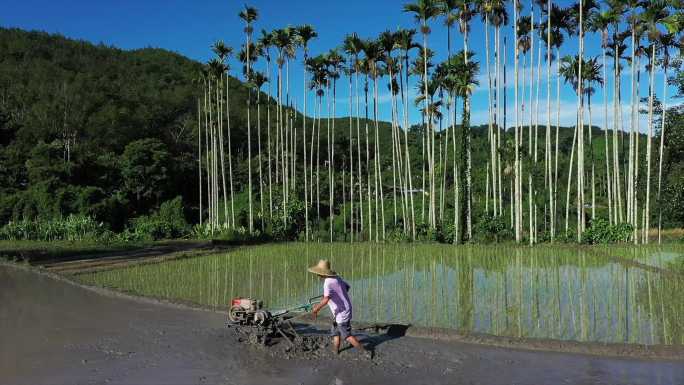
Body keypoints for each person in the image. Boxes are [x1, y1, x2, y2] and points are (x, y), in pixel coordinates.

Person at [308, 259, 372, 358]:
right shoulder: (336, 277)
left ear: (322, 273)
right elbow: (347, 287)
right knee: (335, 331)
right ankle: (335, 350)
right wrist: (335, 293)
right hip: (341, 310)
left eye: (318, 273)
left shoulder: (327, 283)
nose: (317, 275)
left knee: (346, 335)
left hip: (342, 313)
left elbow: (325, 300)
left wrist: (316, 309)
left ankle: (364, 351)